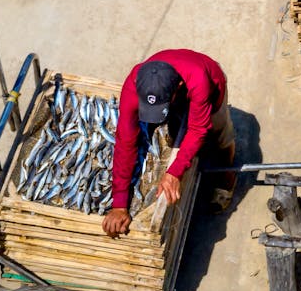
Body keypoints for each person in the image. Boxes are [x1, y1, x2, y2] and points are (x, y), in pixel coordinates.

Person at [101, 49, 236, 238]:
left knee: (220, 137)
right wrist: (119, 203)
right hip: (178, 93)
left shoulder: (199, 80)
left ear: (179, 87)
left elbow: (198, 129)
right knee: (177, 133)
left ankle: (227, 181)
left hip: (211, 88)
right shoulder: (133, 85)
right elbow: (125, 142)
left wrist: (174, 172)